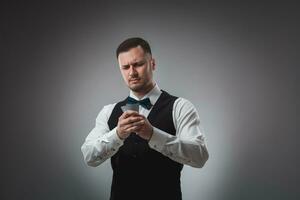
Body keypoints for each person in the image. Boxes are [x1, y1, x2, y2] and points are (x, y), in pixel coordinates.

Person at [81, 37, 209, 200]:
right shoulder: (108, 112)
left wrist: (153, 135)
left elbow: (200, 157)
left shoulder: (180, 107)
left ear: (152, 64)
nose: (132, 72)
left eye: (138, 64)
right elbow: (89, 157)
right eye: (125, 67)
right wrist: (117, 135)